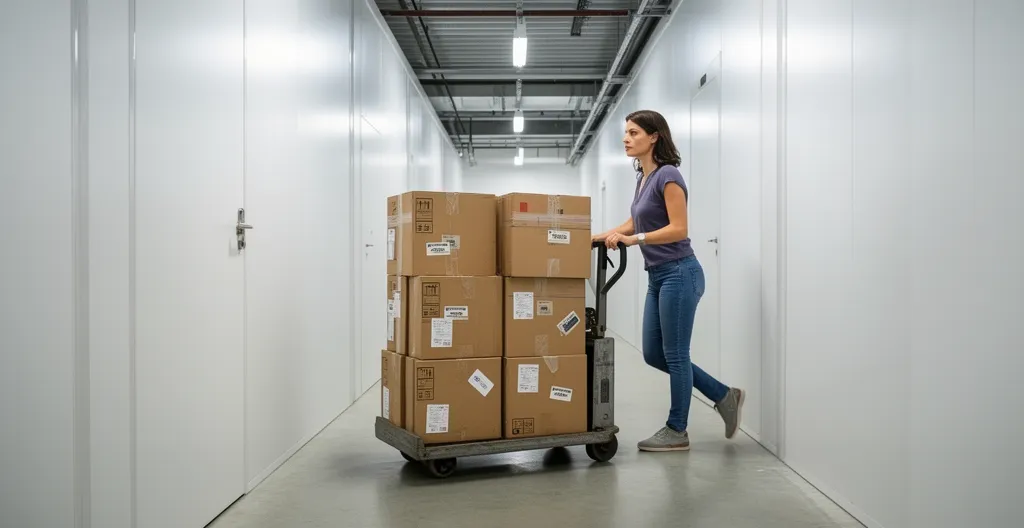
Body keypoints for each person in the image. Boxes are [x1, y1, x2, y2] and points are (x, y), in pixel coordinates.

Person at [591, 109, 745, 452]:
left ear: (654, 137)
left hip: (680, 272)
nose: (626, 138)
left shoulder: (668, 175)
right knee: (653, 354)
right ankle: (724, 395)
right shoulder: (643, 178)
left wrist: (635, 240)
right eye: (626, 132)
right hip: (658, 275)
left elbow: (679, 228)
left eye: (633, 132)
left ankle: (677, 430)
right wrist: (600, 236)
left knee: (675, 354)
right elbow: (635, 221)